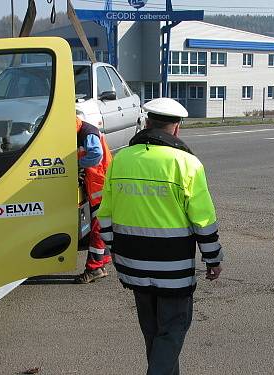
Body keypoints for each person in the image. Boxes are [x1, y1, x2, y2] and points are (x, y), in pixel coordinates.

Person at [97, 98, 223, 375]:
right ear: (176, 128)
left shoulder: (121, 160)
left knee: (153, 333)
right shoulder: (187, 163)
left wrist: (113, 250)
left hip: (132, 265)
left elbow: (104, 212)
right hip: (172, 269)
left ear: (146, 122)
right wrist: (213, 259)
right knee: (173, 330)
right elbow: (203, 220)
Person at [75, 113, 112, 284]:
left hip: (100, 186)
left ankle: (95, 268)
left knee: (98, 227)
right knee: (101, 225)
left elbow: (96, 155)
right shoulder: (82, 131)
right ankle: (101, 263)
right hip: (100, 184)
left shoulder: (86, 133)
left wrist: (77, 165)